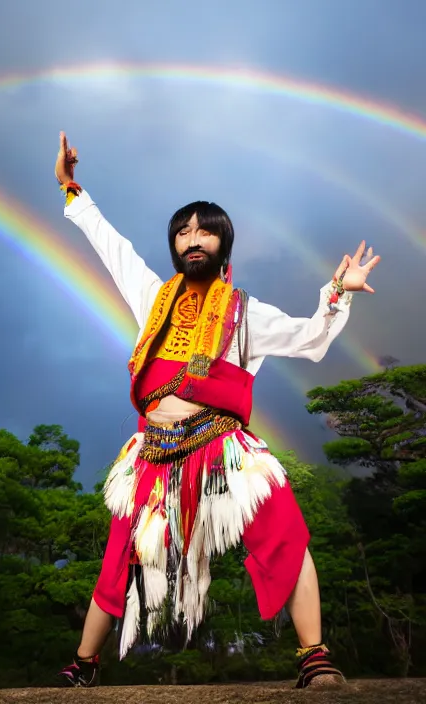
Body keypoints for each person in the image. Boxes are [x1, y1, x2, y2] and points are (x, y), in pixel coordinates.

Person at [54, 132, 380, 689]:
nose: (193, 239)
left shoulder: (246, 312)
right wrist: (71, 189)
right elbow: (114, 248)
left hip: (222, 444)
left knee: (284, 530)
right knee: (120, 556)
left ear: (223, 244)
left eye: (205, 230)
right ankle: (84, 664)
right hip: (153, 452)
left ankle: (315, 655)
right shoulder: (154, 297)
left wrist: (336, 293)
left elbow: (309, 338)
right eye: (183, 232)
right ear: (175, 246)